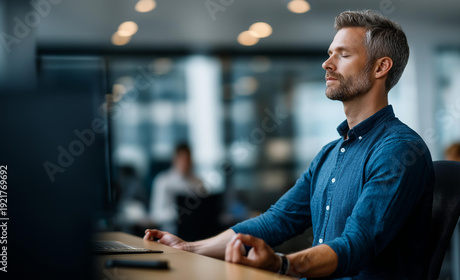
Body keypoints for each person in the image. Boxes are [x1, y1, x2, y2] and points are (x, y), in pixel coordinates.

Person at [144, 10, 434, 279]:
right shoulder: (329, 154)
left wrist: (284, 264)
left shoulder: (399, 150)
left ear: (380, 67)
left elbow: (357, 244)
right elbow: (276, 221)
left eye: (343, 55)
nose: (327, 64)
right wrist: (190, 248)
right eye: (329, 54)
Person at [149, 143, 205, 235]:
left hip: (195, 230)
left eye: (187, 159)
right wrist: (179, 213)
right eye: (181, 159)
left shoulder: (199, 182)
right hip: (171, 231)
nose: (184, 163)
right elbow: (156, 214)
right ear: (175, 160)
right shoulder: (163, 181)